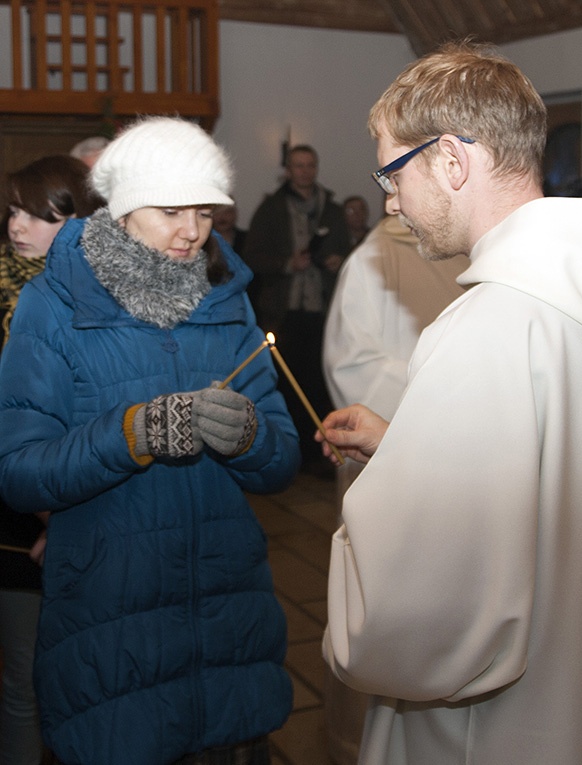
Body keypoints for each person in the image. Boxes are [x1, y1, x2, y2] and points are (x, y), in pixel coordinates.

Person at [316, 41, 582, 765]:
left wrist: (373, 512)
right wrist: (408, 445)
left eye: (392, 171)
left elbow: (407, 618)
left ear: (452, 161)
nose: (390, 199)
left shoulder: (488, 328)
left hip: (496, 727)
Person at [0, 116, 301, 765]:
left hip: (225, 606)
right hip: (113, 616)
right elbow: (19, 471)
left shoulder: (226, 298)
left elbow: (281, 459)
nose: (191, 230)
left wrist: (250, 436)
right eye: (169, 209)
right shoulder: (54, 305)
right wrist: (129, 434)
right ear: (124, 207)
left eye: (203, 211)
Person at [321, 210, 467, 765]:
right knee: (382, 613)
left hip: (462, 472)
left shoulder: (480, 250)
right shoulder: (373, 260)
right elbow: (352, 364)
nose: (391, 204)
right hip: (386, 458)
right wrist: (448, 389)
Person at [0, 154, 102, 765]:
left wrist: (67, 522)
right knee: (21, 682)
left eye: (39, 213)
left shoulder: (98, 299)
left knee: (84, 680)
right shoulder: (12, 292)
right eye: (13, 209)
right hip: (18, 514)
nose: (17, 224)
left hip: (83, 512)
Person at [243, 144, 349, 473]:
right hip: (284, 311)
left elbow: (348, 251)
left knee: (319, 384)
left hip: (322, 310)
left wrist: (338, 261)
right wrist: (290, 263)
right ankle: (291, 452)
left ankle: (320, 453)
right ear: (288, 170)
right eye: (298, 166)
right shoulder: (271, 208)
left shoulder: (332, 209)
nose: (304, 171)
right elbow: (252, 257)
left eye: (309, 165)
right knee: (288, 385)